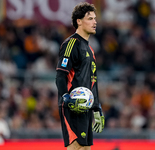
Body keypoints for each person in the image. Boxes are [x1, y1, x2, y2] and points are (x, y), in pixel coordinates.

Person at [55, 2, 105, 150]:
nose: (95, 22)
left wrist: (97, 108)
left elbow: (93, 82)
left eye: (95, 18)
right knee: (76, 148)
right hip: (73, 106)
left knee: (84, 149)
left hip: (86, 108)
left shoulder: (90, 50)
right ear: (79, 21)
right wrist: (65, 96)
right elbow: (60, 74)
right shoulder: (71, 44)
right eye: (90, 18)